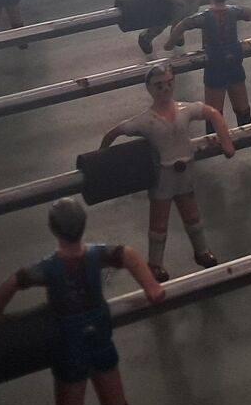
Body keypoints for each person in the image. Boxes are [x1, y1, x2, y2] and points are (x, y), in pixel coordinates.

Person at [0, 198, 164, 405]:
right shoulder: (95, 255)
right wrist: (151, 287)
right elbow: (129, 255)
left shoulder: (48, 267)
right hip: (99, 337)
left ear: (54, 229)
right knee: (115, 402)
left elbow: (13, 282)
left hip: (68, 344)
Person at [100, 61, 238, 280]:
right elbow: (114, 133)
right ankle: (155, 263)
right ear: (149, 88)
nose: (165, 89)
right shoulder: (145, 121)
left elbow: (213, 113)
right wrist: (102, 161)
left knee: (192, 215)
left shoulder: (184, 110)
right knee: (159, 223)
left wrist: (225, 141)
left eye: (169, 83)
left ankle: (202, 251)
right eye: (159, 85)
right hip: (163, 176)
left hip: (185, 173)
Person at [167, 0, 251, 129]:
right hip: (235, 61)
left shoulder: (204, 17)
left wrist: (170, 43)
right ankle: (247, 133)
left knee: (214, 112)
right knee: (242, 108)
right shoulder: (234, 11)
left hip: (215, 64)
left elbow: (182, 25)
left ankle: (215, 137)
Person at [130, 0, 208, 55]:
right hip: (171, 10)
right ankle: (146, 37)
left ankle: (177, 34)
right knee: (160, 25)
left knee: (184, 22)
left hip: (189, 10)